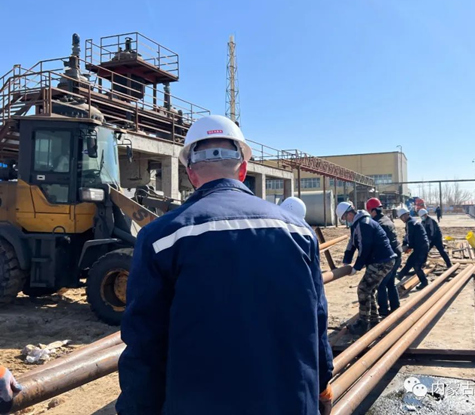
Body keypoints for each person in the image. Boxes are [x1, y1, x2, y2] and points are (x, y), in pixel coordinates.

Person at [117, 115, 333, 415]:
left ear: (190, 173)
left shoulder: (160, 238)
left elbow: (144, 344)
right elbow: (317, 320)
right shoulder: (299, 231)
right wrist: (322, 384)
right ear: (243, 170)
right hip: (291, 402)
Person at [336, 201, 396, 335]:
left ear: (349, 213)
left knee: (363, 289)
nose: (345, 221)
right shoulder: (357, 224)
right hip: (378, 260)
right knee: (369, 290)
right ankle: (373, 321)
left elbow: (365, 247)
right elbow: (352, 243)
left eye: (344, 218)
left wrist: (356, 267)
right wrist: (346, 261)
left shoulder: (364, 224)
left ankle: (363, 324)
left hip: (382, 261)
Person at [366, 198, 402, 318]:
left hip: (389, 257)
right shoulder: (387, 219)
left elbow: (376, 245)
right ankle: (395, 306)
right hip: (397, 254)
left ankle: (383, 310)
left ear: (373, 211)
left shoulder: (378, 224)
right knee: (390, 283)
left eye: (369, 211)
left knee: (381, 284)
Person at [396, 208, 430, 290]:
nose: (402, 219)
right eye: (401, 218)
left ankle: (424, 282)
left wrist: (408, 247)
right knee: (410, 261)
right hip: (421, 246)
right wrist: (405, 244)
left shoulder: (410, 223)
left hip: (421, 247)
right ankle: (400, 275)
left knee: (416, 265)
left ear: (406, 215)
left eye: (402, 217)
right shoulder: (411, 221)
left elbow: (410, 237)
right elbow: (407, 235)